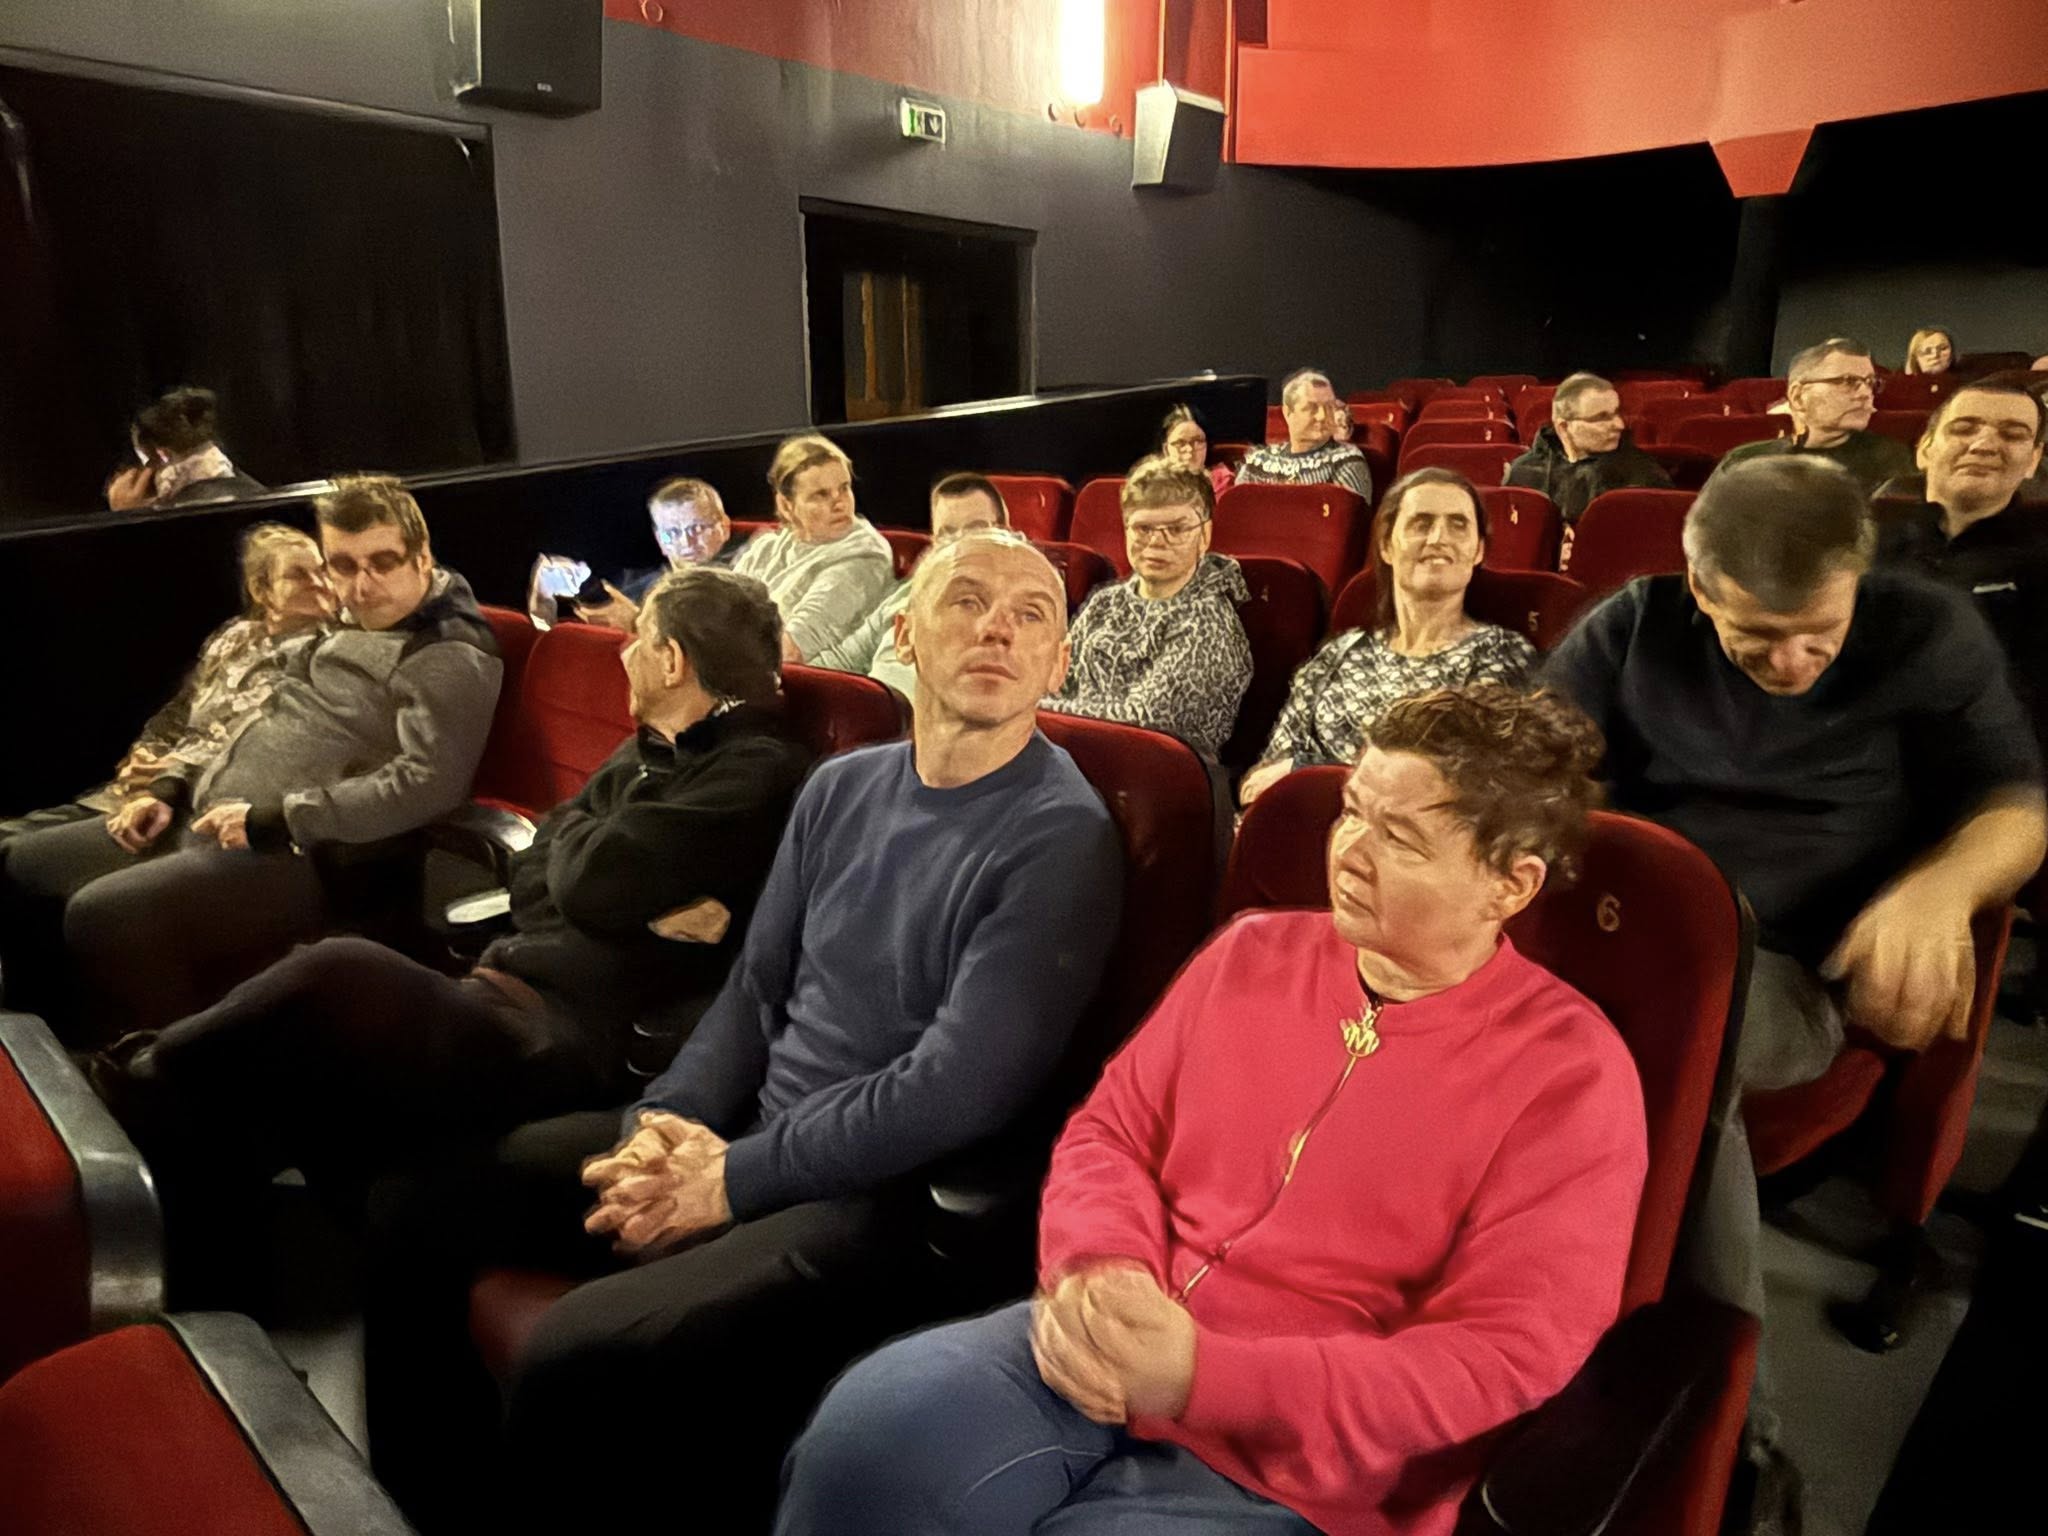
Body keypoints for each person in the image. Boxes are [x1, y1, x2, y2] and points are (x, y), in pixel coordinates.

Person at [361, 527, 1124, 1535]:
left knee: (576, 1354)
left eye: (1031, 615)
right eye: (967, 601)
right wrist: (660, 1123)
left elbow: (955, 1086)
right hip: (739, 1136)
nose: (998, 630)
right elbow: (756, 989)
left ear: (1058, 663)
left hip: (870, 1193)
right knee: (418, 1204)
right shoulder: (842, 787)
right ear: (904, 633)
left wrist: (731, 1178)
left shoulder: (1059, 833)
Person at [776, 684, 1647, 1536]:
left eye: (1402, 839)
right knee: (866, 1440)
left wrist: (1204, 1376)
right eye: (1353, 812)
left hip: (1305, 1462)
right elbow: (1112, 1132)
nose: (1350, 851)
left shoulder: (1571, 1073)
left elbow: (1500, 1352)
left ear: (1509, 884)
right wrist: (1101, 1264)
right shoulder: (1251, 952)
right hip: (1106, 1336)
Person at [1543, 456, 2044, 1515]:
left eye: (1818, 630)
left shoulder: (1924, 631)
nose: (1793, 660)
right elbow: (1535, 760)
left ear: (1855, 577)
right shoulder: (1632, 626)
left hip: (1797, 969)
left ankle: (1732, 1436)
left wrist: (1943, 887)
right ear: (1698, 585)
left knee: (1674, 1051)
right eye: (1757, 635)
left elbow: (2015, 806)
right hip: (1632, 937)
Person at [91, 565, 812, 1296]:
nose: (623, 654)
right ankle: (202, 1278)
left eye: (639, 639)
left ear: (672, 659)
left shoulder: (756, 771)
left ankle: (133, 1080)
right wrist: (607, 886)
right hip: (508, 982)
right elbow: (537, 873)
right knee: (288, 1080)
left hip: (576, 1033)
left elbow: (585, 880)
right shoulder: (647, 750)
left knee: (339, 971)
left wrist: (582, 868)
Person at [0, 475, 503, 1045]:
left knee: (103, 916)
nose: (360, 587)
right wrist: (169, 786)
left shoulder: (446, 650)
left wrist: (274, 819)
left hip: (305, 854)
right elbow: (246, 714)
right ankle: (47, 1062)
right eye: (342, 566)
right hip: (204, 813)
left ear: (422, 557)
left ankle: (167, 1076)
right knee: (18, 862)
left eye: (382, 563)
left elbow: (429, 783)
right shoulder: (353, 615)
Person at [0, 525, 334, 848]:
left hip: (193, 802)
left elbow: (264, 749)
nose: (320, 582)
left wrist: (165, 780)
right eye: (298, 575)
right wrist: (144, 755)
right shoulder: (236, 636)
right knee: (10, 833)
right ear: (261, 590)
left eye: (322, 570)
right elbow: (179, 711)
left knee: (15, 854)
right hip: (141, 790)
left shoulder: (324, 655)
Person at [1241, 468, 1536, 805]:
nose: (1438, 538)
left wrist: (1304, 770)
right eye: (1421, 523)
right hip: (1302, 824)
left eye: (1458, 525)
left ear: (1478, 550)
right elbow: (1262, 781)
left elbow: (1460, 788)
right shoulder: (1339, 654)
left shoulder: (1501, 654)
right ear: (1386, 546)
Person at [1042, 459, 1252, 758]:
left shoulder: (1207, 621)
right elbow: (1055, 681)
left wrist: (1030, 710)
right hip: (1071, 753)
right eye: (1143, 528)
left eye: (1176, 529)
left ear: (1204, 536)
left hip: (1158, 769)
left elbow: (1141, 722)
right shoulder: (1105, 601)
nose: (1156, 542)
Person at [1876, 385, 2048, 743]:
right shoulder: (1854, 539)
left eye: (2012, 435)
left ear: (2033, 460)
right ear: (1924, 449)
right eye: (1963, 428)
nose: (1984, 445)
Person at [809, 471, 1009, 696]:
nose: (960, 545)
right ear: (934, 542)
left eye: (976, 530)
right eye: (948, 534)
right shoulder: (905, 596)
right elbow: (841, 660)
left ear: (1004, 533)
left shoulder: (1023, 610)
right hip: (870, 714)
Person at [732, 433, 893, 662]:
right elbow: (718, 615)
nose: (840, 503)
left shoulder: (865, 556)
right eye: (821, 495)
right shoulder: (766, 547)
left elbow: (789, 651)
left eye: (844, 488)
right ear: (786, 506)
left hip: (806, 678)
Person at [549, 476, 748, 632]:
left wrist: (637, 623)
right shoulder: (636, 588)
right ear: (660, 539)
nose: (686, 542)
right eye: (672, 533)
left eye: (697, 529)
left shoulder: (749, 573)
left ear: (724, 527)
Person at [1714, 338, 1914, 493]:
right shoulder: (1746, 461)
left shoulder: (1889, 457)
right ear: (1798, 396)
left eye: (1870, 383)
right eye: (1848, 381)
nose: (1865, 393)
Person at [1503, 371, 1673, 525]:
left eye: (1617, 413)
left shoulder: (1644, 473)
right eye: (1602, 417)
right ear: (1564, 427)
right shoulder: (1523, 474)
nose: (1619, 425)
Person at [104, 386, 265, 511]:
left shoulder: (180, 518)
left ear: (161, 454)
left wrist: (127, 516)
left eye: (145, 460)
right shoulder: (262, 496)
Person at [1235, 369, 1374, 501]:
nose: (1322, 416)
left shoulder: (1346, 462)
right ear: (1288, 413)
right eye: (1311, 408)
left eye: (1329, 407)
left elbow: (1350, 514)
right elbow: (1239, 512)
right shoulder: (1258, 463)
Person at [1160, 403, 1234, 499]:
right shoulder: (1154, 487)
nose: (1190, 449)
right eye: (1180, 443)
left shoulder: (1222, 481)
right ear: (1166, 449)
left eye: (1198, 441)